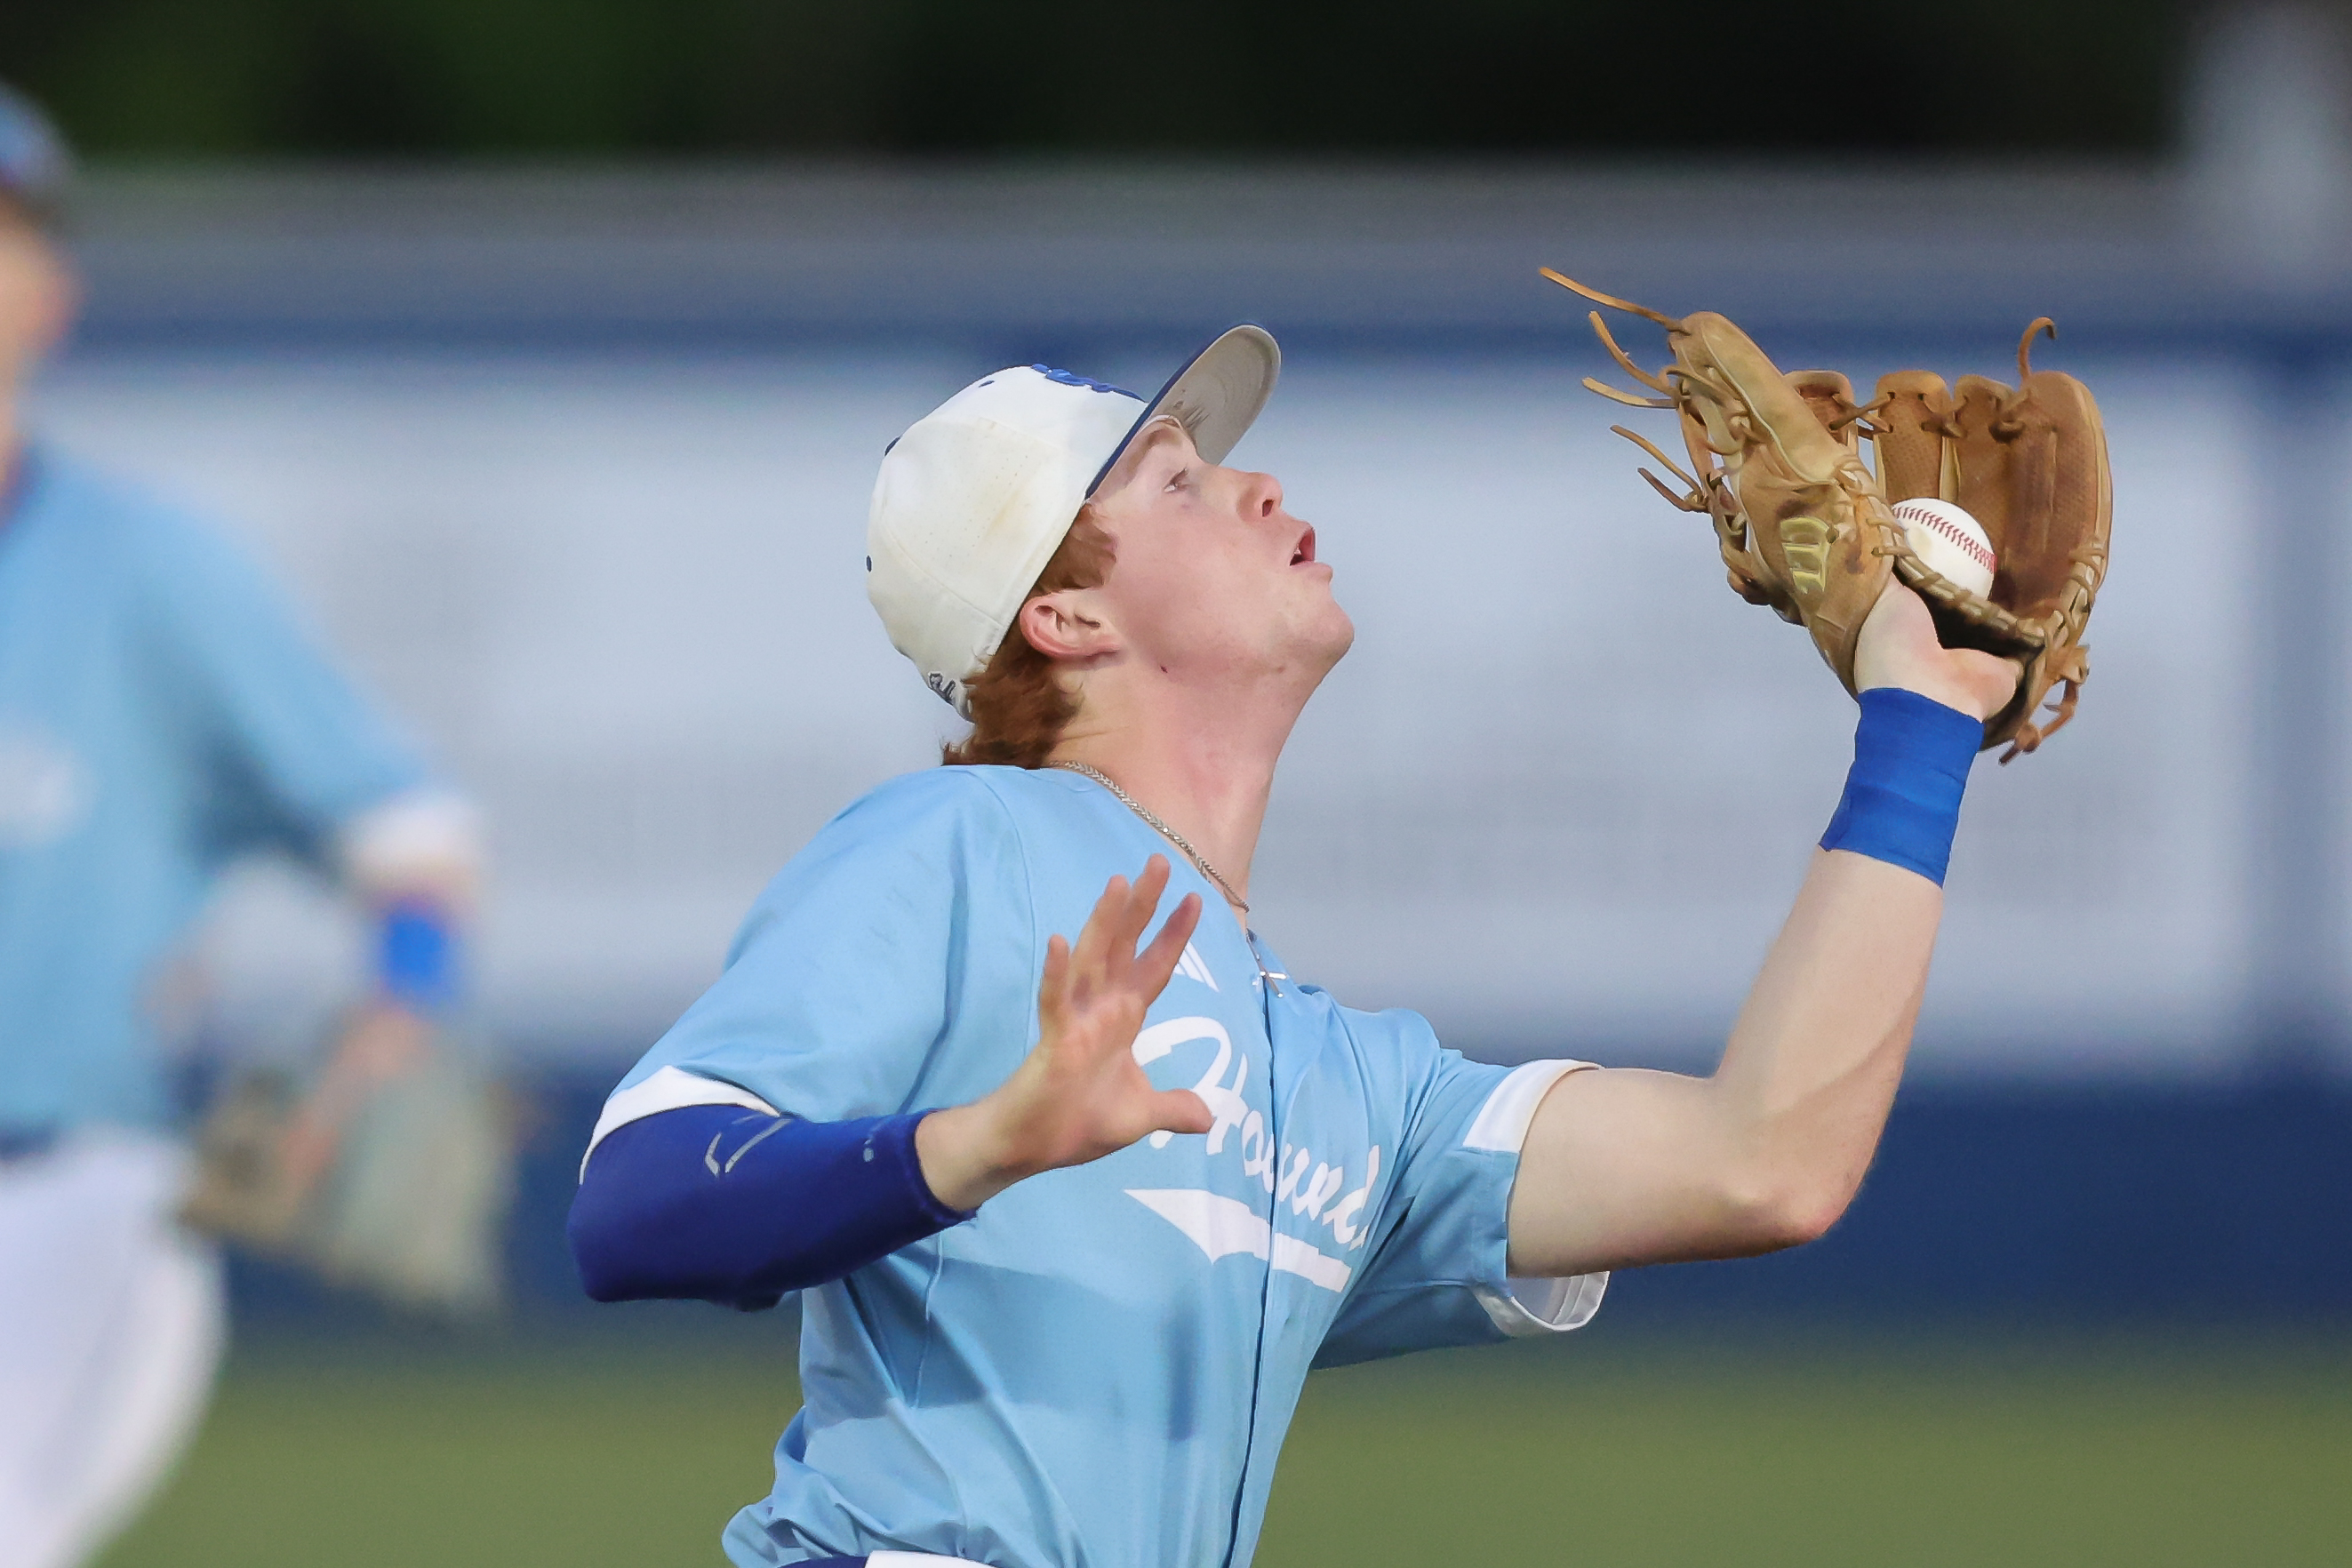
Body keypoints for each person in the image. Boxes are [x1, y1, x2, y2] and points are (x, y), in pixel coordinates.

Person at [568, 328, 2016, 1567]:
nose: (1257, 483)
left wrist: (1920, 724)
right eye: (1179, 482)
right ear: (1064, 613)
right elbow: (631, 1204)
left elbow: (1761, 1161)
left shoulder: (1341, 1084)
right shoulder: (963, 846)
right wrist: (976, 1144)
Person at [0, 84, 479, 1568]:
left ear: (51, 289)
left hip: (68, 1199)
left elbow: (408, 836)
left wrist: (401, 1008)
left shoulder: (147, 573)